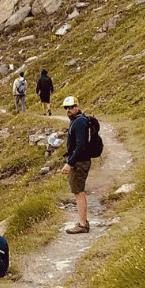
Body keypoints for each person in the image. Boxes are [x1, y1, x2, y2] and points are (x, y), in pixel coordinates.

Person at [61, 95, 92, 234]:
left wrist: (69, 163)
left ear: (77, 107)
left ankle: (82, 224)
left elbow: (80, 146)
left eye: (71, 107)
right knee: (78, 191)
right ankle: (83, 220)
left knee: (78, 192)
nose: (69, 110)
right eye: (66, 108)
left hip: (80, 162)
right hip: (79, 161)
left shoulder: (79, 123)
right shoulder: (77, 120)